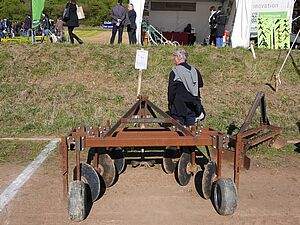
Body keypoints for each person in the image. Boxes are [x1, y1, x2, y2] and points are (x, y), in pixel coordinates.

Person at [168, 49, 205, 127]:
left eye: (175, 56)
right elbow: (200, 84)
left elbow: (171, 90)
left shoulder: (175, 71)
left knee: (178, 132)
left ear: (178, 58)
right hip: (193, 105)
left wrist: (170, 103)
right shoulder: (195, 70)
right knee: (191, 131)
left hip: (179, 107)